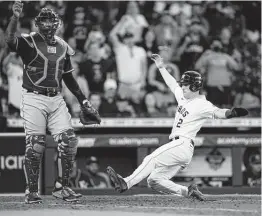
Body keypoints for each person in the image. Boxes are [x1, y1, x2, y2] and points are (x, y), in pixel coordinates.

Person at [107, 53, 248, 201]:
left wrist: (232, 113)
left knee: (151, 158)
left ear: (194, 86)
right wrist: (161, 67)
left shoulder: (202, 104)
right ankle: (189, 191)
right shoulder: (183, 96)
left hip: (182, 143)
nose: (182, 85)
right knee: (154, 180)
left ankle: (126, 182)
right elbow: (171, 83)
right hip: (180, 148)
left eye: (185, 84)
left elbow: (219, 113)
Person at [5, 2, 100, 204]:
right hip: (33, 97)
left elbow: (68, 77)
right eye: (45, 21)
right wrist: (14, 18)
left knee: (69, 141)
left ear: (57, 23)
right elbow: (10, 41)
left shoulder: (63, 46)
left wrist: (83, 101)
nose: (48, 25)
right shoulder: (29, 41)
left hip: (56, 97)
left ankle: (62, 186)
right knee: (36, 145)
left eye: (51, 21)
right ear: (38, 23)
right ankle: (31, 191)